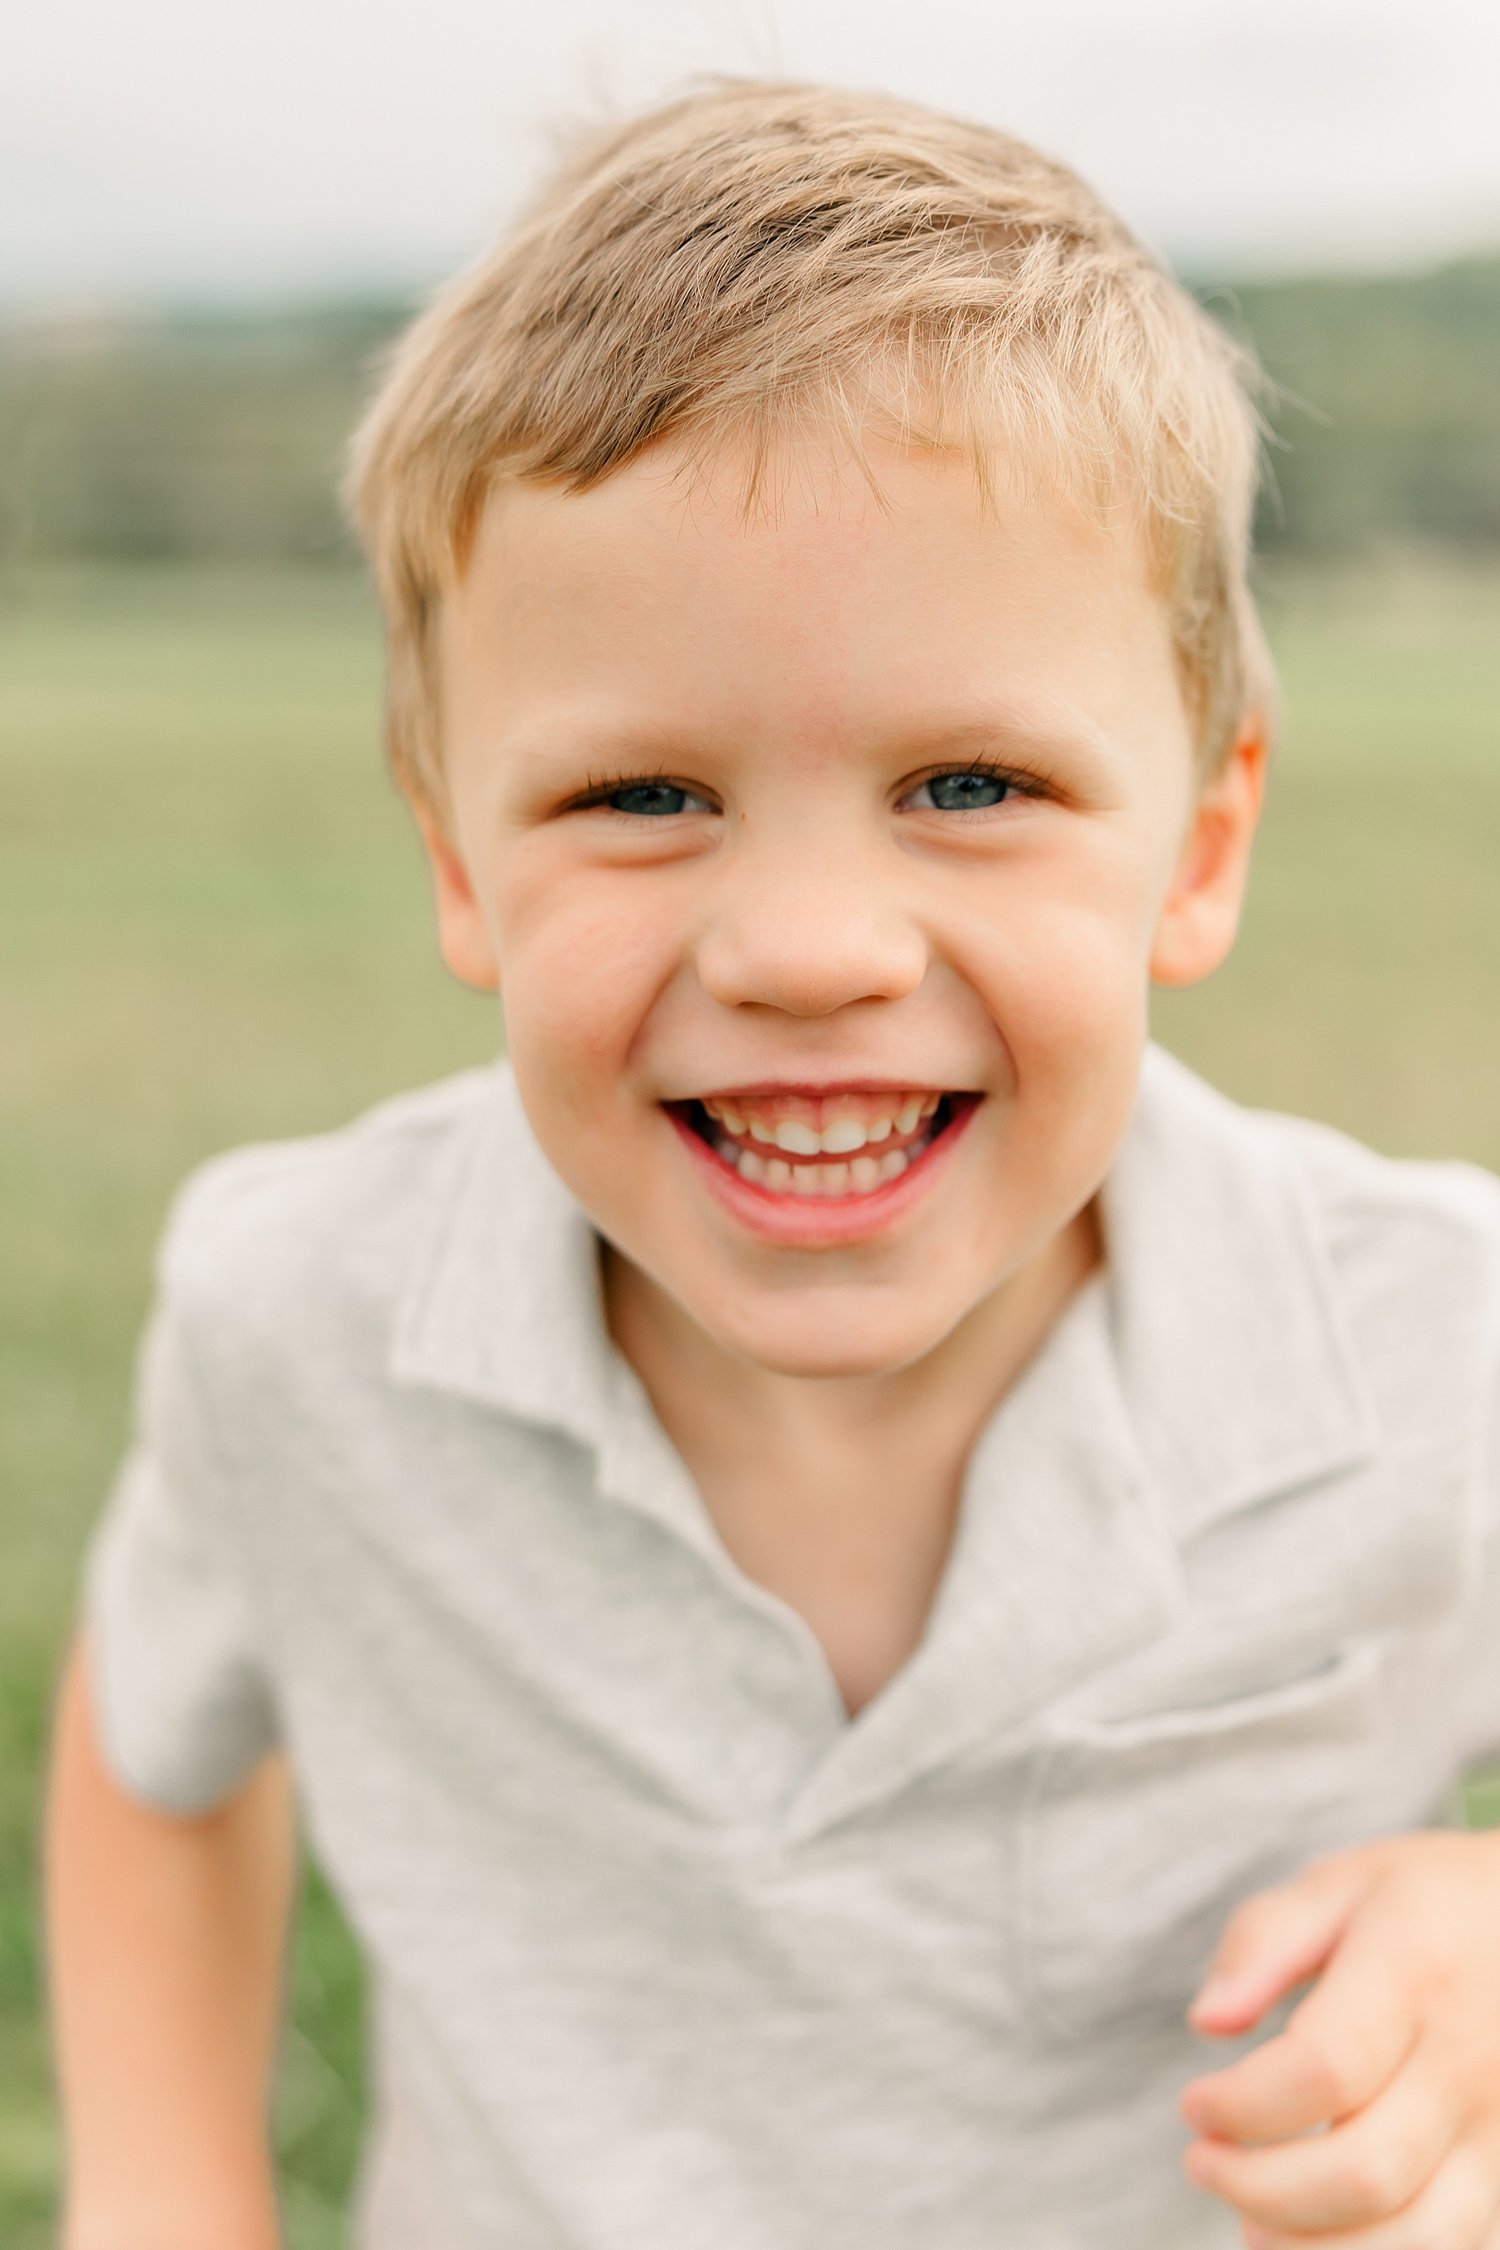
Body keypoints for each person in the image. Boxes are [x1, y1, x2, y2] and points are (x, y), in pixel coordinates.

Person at [42, 79, 1500, 2250]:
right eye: (642, 795)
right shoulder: (298, 1319)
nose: (810, 952)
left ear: (1199, 843)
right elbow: (151, 1761)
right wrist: (166, 2202)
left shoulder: (1443, 1341)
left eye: (972, 781)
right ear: (457, 859)